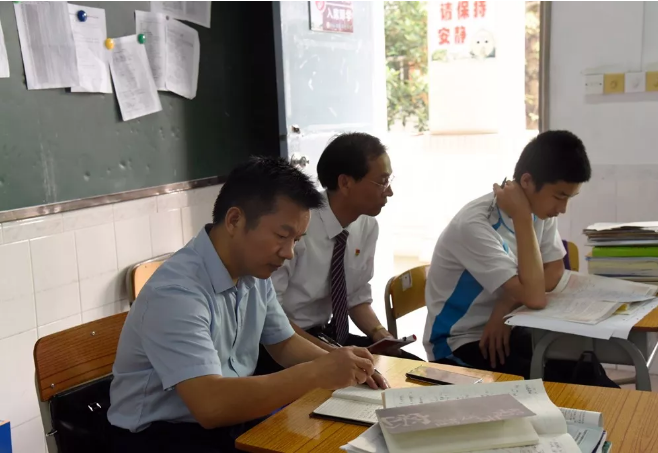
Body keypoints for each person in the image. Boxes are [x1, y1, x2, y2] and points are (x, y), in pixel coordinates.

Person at [107, 157, 387, 453]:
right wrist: (318, 372)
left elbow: (284, 342)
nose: (289, 253)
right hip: (160, 437)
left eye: (296, 240)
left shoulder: (253, 270)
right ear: (234, 220)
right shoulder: (176, 293)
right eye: (282, 236)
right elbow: (210, 405)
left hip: (227, 420)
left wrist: (343, 364)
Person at [423, 130, 592, 379]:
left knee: (584, 366)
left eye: (569, 198)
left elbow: (554, 270)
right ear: (527, 181)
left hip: (512, 322)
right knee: (552, 382)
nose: (563, 208)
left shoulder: (542, 209)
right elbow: (535, 297)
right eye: (559, 196)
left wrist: (504, 306)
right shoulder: (475, 224)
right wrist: (522, 217)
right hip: (460, 341)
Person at [255, 132, 420, 377]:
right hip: (284, 344)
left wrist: (379, 334)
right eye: (382, 182)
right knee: (364, 380)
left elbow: (356, 297)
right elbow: (271, 317)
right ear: (345, 183)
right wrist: (331, 355)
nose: (389, 192)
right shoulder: (297, 228)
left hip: (328, 336)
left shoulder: (367, 226)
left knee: (413, 369)